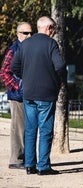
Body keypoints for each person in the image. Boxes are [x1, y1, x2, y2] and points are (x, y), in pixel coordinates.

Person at [11, 16, 66, 175]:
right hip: (46, 93)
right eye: (54, 29)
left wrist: (26, 76)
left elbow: (14, 66)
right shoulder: (51, 44)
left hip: (29, 93)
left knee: (30, 129)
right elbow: (60, 66)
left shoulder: (25, 44)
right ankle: (43, 166)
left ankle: (29, 165)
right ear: (49, 28)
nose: (55, 33)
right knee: (45, 130)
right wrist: (56, 80)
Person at [0, 22, 32, 169]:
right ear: (18, 34)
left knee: (27, 128)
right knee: (18, 128)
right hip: (17, 96)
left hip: (28, 93)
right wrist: (18, 87)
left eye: (31, 33)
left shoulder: (29, 47)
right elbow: (4, 72)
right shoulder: (14, 50)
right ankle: (16, 160)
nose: (29, 36)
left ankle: (27, 159)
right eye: (26, 33)